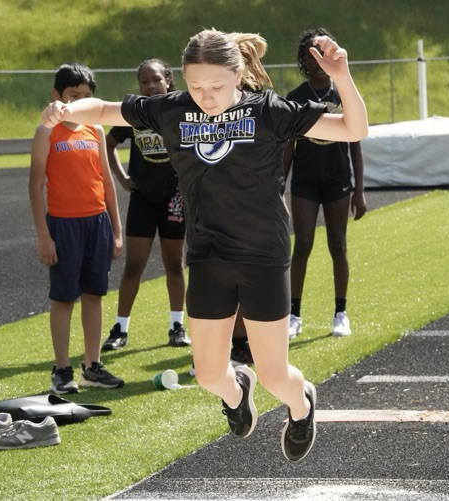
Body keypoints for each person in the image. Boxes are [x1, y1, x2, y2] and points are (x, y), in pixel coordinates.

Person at [41, 29, 368, 462]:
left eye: (216, 86)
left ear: (238, 75)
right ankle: (236, 391)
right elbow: (101, 109)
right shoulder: (173, 110)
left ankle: (302, 402)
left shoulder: (268, 112)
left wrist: (342, 76)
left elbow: (353, 127)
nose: (206, 96)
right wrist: (66, 111)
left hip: (263, 257)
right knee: (210, 376)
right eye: (196, 86)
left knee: (275, 375)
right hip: (209, 255)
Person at [29, 62, 125, 395]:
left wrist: (116, 229)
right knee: (64, 298)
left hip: (97, 222)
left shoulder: (95, 130)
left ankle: (92, 366)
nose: (80, 101)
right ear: (57, 95)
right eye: (74, 95)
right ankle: (61, 368)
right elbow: (35, 186)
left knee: (94, 295)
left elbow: (107, 182)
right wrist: (44, 236)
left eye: (86, 96)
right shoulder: (47, 131)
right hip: (63, 226)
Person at [283, 28, 367, 339]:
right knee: (302, 244)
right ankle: (294, 313)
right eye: (310, 52)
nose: (316, 58)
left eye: (322, 50)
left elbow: (355, 143)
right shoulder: (295, 98)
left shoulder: (342, 92)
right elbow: (286, 149)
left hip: (337, 181)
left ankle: (340, 312)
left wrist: (359, 190)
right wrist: (280, 187)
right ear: (304, 58)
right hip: (304, 182)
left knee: (338, 245)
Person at [101, 58, 190, 351]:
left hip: (173, 198)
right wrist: (123, 178)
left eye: (156, 80)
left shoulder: (180, 110)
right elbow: (108, 144)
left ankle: (177, 326)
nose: (150, 86)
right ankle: (120, 328)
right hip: (142, 199)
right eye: (144, 82)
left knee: (174, 265)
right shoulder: (134, 112)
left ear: (168, 80)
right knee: (134, 266)